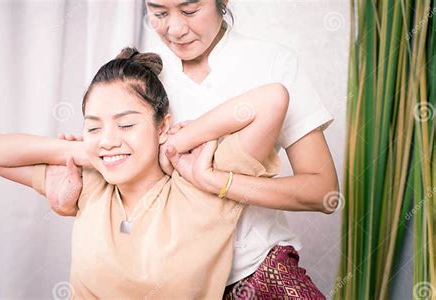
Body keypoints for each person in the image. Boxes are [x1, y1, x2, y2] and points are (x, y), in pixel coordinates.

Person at [51, 0, 338, 297]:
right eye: (159, 13)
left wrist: (214, 179)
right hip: (170, 284)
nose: (175, 28)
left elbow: (322, 193)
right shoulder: (142, 74)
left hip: (257, 270)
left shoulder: (272, 63)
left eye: (190, 10)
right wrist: (72, 186)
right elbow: (110, 162)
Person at [0, 48, 301, 298]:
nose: (108, 137)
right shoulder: (89, 185)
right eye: (93, 126)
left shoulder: (198, 181)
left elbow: (272, 99)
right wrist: (89, 151)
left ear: (163, 126)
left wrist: (178, 144)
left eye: (126, 124)